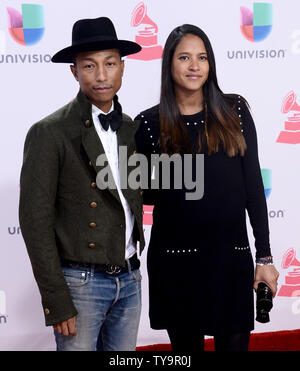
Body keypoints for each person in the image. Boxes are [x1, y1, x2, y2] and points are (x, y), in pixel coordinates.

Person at [135, 24, 279, 351]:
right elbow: (144, 194)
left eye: (202, 57)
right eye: (184, 57)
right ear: (169, 64)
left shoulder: (234, 111)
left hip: (230, 261)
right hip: (176, 264)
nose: (195, 66)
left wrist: (265, 256)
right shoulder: (146, 124)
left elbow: (253, 188)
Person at [19, 17, 145, 351]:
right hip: (81, 284)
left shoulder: (130, 129)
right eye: (89, 65)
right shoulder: (50, 132)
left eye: (110, 64)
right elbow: (35, 221)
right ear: (74, 71)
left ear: (122, 68)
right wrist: (57, 300)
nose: (101, 75)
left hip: (131, 280)